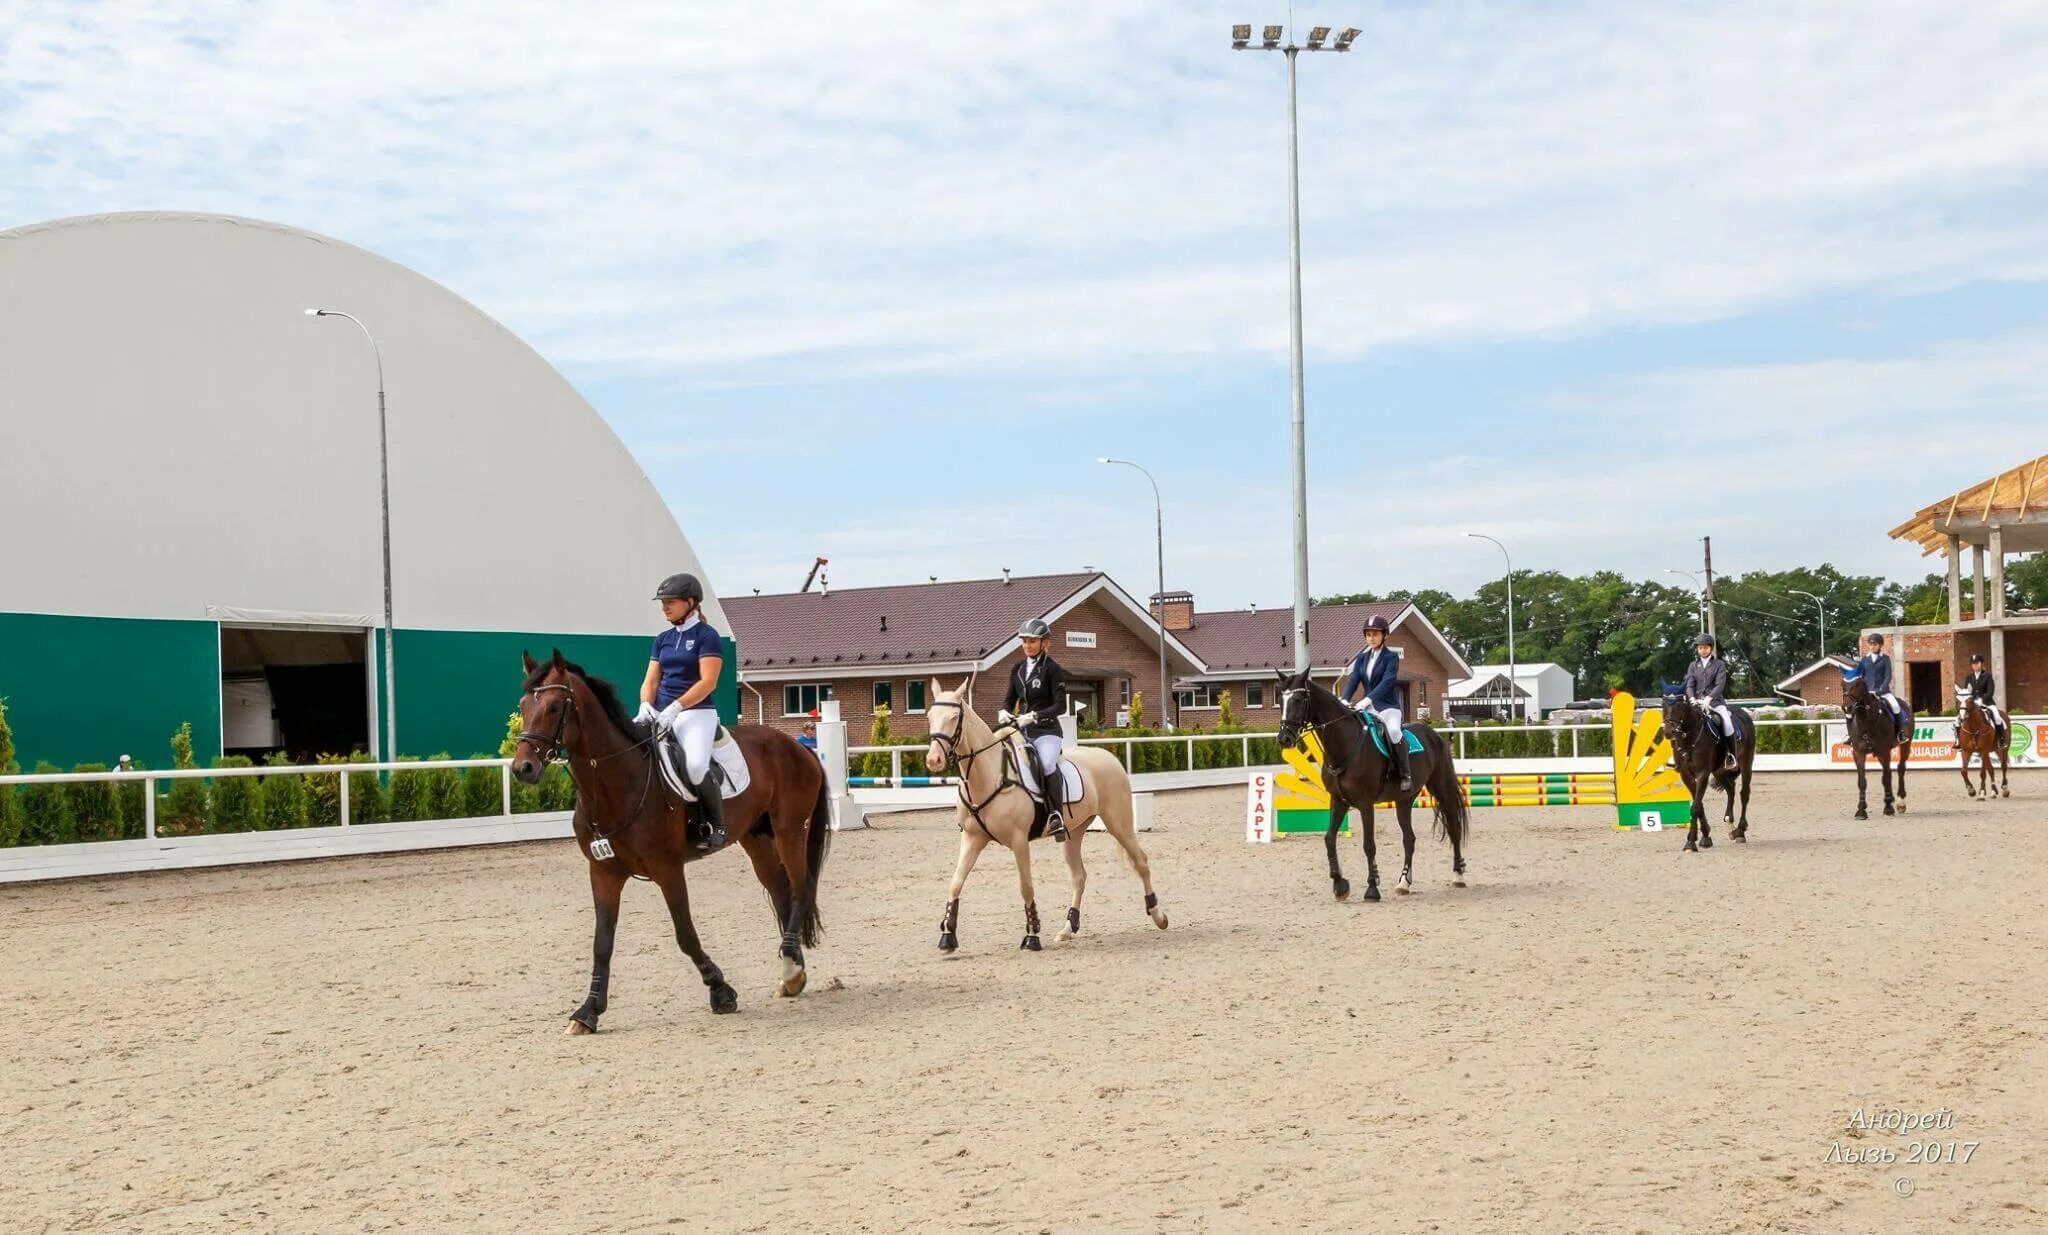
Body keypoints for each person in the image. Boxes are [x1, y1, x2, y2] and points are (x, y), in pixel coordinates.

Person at [636, 573, 726, 850]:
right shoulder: (662, 638)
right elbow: (651, 680)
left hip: (697, 712)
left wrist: (677, 706)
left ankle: (717, 825)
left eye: (670, 602)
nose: (664, 607)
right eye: (662, 602)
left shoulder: (707, 636)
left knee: (696, 766)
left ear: (690, 602)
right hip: (660, 711)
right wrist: (645, 705)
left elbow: (708, 681)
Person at [998, 618, 1071, 841]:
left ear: (1044, 643)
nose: (1027, 645)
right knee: (1001, 758)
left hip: (1047, 731)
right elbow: (1010, 699)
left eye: (1032, 641)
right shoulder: (1017, 669)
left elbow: (1061, 705)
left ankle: (1056, 815)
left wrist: (1035, 715)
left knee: (1047, 764)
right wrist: (1004, 711)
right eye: (1024, 641)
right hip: (1022, 730)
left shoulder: (1053, 669)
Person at [1338, 614, 1413, 793]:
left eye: (1375, 634)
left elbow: (1387, 683)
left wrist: (1366, 700)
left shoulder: (1391, 657)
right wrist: (1344, 700)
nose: (1371, 638)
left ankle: (1405, 774)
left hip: (1388, 707)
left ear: (1384, 635)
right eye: (1368, 634)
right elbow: (1353, 680)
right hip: (1368, 708)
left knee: (1394, 731)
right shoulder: (1362, 658)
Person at [1682, 632, 1740, 771]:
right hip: (1696, 703)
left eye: (1706, 647)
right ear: (1697, 649)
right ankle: (1682, 755)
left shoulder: (1719, 664)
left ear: (1711, 648)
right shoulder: (1693, 666)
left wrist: (1709, 698)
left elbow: (1720, 685)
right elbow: (1689, 684)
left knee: (1726, 723)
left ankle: (1731, 755)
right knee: (1681, 723)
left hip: (1715, 703)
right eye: (1700, 648)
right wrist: (1691, 698)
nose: (1703, 650)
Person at [1858, 632, 1908, 741]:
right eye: (1871, 645)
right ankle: (1853, 736)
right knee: (1855, 709)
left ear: (1880, 645)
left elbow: (1888, 675)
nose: (1872, 647)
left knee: (1895, 706)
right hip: (1868, 693)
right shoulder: (1864, 660)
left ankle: (1900, 733)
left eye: (1875, 644)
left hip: (1883, 692)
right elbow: (1861, 676)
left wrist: (1881, 689)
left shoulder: (1885, 658)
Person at [1963, 652, 2006, 738]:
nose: (1975, 665)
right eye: (1973, 663)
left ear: (1981, 664)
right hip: (1972, 704)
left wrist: (1981, 700)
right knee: (1959, 718)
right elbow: (1966, 692)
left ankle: (2001, 738)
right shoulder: (1969, 678)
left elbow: (1990, 692)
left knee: (1997, 717)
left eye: (1977, 663)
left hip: (1987, 703)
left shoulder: (1987, 676)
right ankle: (1959, 741)